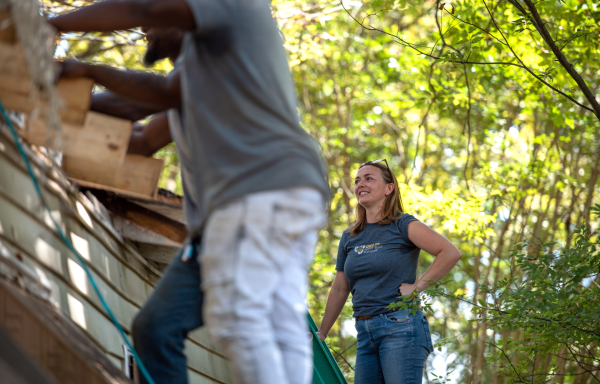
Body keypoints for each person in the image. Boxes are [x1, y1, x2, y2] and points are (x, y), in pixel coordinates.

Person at [48, 1, 329, 384]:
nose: (146, 28)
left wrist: (51, 26)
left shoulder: (232, 8)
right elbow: (143, 130)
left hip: (259, 190)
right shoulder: (197, 71)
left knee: (241, 316)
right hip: (250, 208)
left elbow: (143, 14)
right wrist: (54, 108)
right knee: (159, 327)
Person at [317, 159, 461, 384]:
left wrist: (417, 287)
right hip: (365, 331)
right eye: (357, 180)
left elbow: (450, 252)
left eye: (368, 178)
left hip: (400, 327)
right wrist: (322, 333)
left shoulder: (402, 225)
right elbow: (339, 287)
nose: (360, 184)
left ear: (389, 188)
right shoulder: (350, 236)